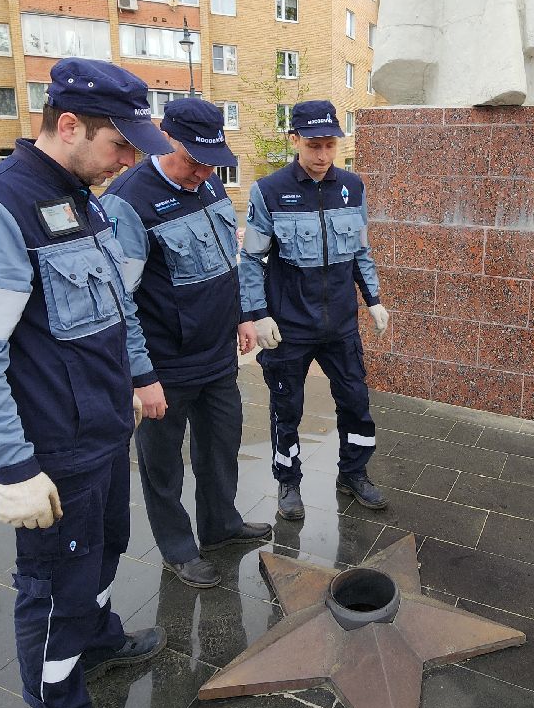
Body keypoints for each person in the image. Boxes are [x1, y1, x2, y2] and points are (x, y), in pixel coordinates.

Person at [0, 58, 172, 708]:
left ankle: (94, 639)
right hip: (51, 452)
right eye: (119, 145)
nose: (127, 161)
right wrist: (12, 469)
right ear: (68, 125)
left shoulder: (83, 200)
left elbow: (115, 311)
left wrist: (138, 378)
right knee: (54, 586)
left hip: (101, 431)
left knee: (103, 554)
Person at [101, 98, 270, 590]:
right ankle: (179, 548)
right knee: (163, 465)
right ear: (164, 138)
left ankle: (220, 525)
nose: (202, 171)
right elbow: (119, 300)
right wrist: (141, 375)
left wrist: (242, 316)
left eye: (212, 161)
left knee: (221, 446)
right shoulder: (128, 201)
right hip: (165, 366)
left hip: (216, 356)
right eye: (192, 159)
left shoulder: (209, 181)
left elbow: (226, 262)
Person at [238, 99, 389, 520]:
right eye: (313, 145)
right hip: (289, 325)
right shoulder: (269, 191)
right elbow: (251, 259)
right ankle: (288, 481)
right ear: (295, 140)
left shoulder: (352, 187)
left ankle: (354, 473)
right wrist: (257, 313)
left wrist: (374, 300)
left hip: (340, 323)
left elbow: (360, 251)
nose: (323, 155)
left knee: (355, 401)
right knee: (287, 408)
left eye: (330, 146)